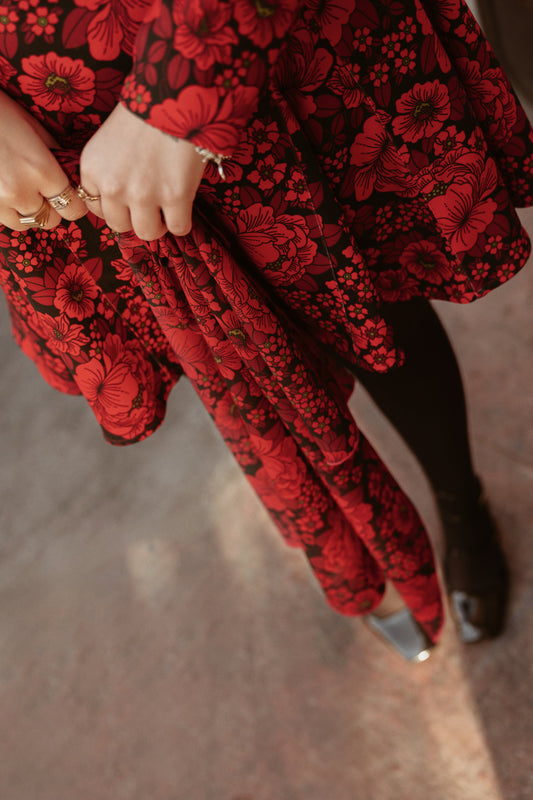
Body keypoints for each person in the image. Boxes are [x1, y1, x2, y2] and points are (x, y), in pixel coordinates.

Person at [0, 0, 530, 660]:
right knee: (228, 351)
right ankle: (362, 547)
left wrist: (179, 95)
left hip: (246, 47)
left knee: (368, 299)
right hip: (48, 122)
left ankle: (461, 505)